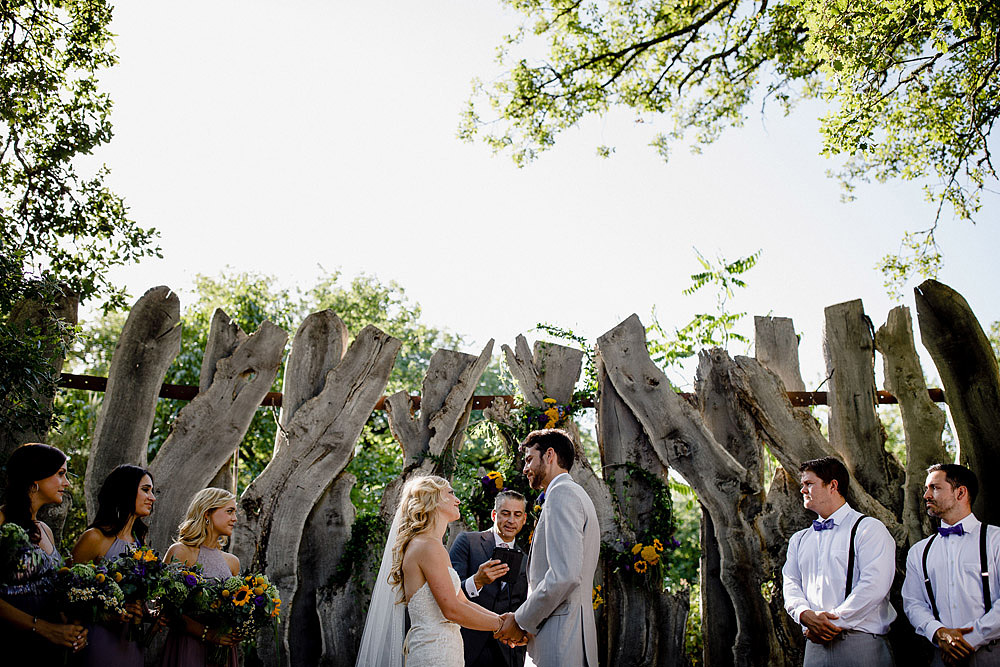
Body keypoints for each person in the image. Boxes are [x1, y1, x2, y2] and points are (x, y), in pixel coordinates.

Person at [355, 474, 508, 667]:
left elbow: (461, 600)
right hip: (433, 654)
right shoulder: (427, 546)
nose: (458, 499)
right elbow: (452, 609)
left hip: (446, 651)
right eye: (451, 493)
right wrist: (503, 627)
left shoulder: (433, 546)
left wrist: (501, 619)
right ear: (433, 500)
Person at [495, 429, 600, 667]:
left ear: (550, 455)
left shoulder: (562, 494)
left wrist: (521, 621)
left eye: (529, 459)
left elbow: (564, 576)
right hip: (566, 635)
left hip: (560, 640)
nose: (525, 468)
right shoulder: (576, 494)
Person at [781, 456, 896, 666]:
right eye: (802, 485)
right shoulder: (799, 540)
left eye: (809, 484)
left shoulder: (868, 529)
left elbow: (875, 585)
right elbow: (791, 584)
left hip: (860, 644)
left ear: (833, 485)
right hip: (814, 646)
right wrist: (803, 614)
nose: (802, 490)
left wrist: (831, 623)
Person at [902, 463, 1000, 666]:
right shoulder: (920, 552)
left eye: (935, 488)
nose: (926, 496)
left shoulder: (996, 540)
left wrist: (971, 638)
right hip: (942, 657)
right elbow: (913, 603)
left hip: (992, 654)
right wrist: (937, 633)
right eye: (926, 489)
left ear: (961, 492)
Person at [0, 443, 88, 660]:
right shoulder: (1, 521)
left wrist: (72, 628)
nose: (66, 483)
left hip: (48, 650)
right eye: (60, 474)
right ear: (35, 478)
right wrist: (44, 628)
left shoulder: (45, 530)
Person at [71, 464, 156, 666]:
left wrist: (150, 615)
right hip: (98, 640)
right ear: (125, 490)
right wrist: (108, 614)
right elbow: (67, 596)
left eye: (152, 491)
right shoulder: (94, 538)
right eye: (145, 490)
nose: (152, 498)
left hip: (130, 642)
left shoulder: (139, 542)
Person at [161, 487, 240, 667]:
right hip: (189, 647)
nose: (234, 518)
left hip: (224, 652)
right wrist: (207, 633)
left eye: (235, 512)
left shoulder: (232, 562)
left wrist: (240, 629)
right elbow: (166, 608)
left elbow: (239, 607)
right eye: (229, 511)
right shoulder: (180, 552)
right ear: (207, 513)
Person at [449, 490, 529, 667]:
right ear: (494, 514)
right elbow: (447, 594)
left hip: (507, 652)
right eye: (505, 513)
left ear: (524, 519)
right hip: (465, 647)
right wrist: (476, 581)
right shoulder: (467, 542)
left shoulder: (527, 560)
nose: (511, 520)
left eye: (517, 515)